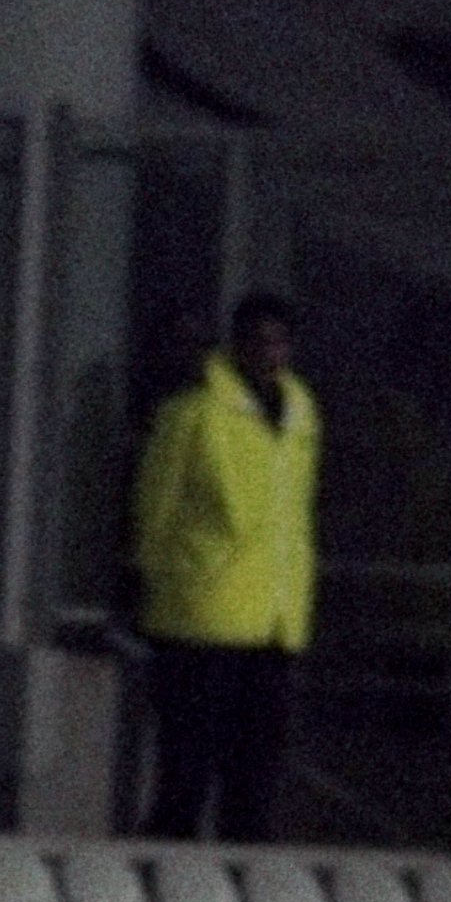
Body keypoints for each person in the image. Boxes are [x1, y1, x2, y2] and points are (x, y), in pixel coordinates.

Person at [130, 292, 321, 841]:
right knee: (188, 766)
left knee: (255, 771)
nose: (271, 355)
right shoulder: (192, 415)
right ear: (236, 348)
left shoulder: (301, 416)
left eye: (280, 342)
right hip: (200, 614)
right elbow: (155, 510)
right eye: (259, 342)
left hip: (273, 619)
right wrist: (154, 582)